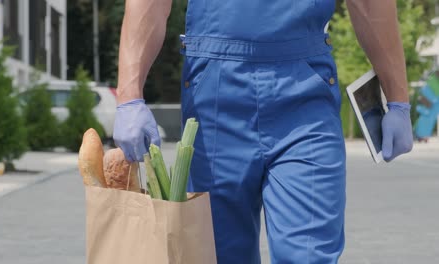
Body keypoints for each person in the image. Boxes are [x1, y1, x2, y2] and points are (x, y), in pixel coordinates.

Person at [113, 0, 414, 262]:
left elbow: (370, 3)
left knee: (308, 255)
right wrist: (129, 95)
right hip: (215, 96)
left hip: (305, 96)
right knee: (219, 252)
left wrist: (398, 98)